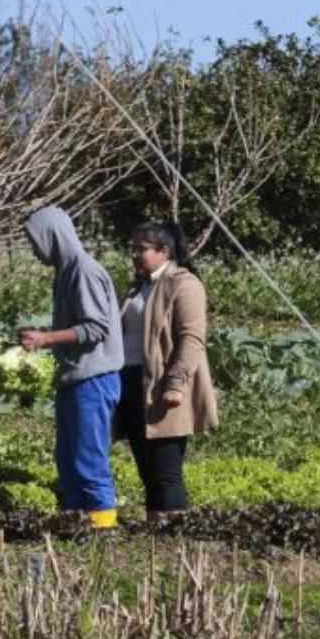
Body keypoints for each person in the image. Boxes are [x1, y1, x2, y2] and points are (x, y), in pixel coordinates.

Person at [18, 206, 124, 529]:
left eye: (36, 243)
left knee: (89, 461)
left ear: (53, 236)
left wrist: (45, 339)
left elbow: (95, 328)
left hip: (93, 379)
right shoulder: (65, 272)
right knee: (69, 461)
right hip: (74, 380)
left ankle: (103, 531)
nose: (35, 252)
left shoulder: (84, 271)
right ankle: (77, 524)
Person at [114, 222, 219, 523]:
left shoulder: (184, 284)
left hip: (163, 386)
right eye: (133, 248)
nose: (135, 255)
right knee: (146, 469)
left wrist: (176, 382)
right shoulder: (138, 287)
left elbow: (192, 338)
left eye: (142, 249)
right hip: (132, 381)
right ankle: (154, 536)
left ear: (164, 251)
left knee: (165, 470)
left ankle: (174, 539)